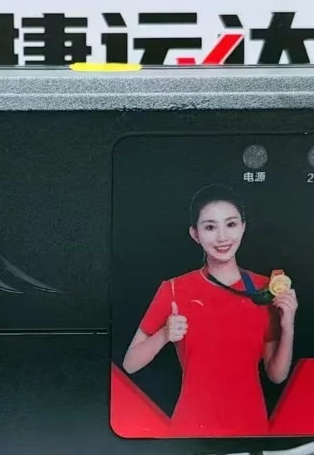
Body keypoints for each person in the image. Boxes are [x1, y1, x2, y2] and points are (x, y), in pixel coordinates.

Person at [122, 184, 297, 436]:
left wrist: (288, 326)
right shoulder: (173, 289)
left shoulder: (265, 289)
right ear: (195, 234)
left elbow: (276, 375)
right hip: (191, 431)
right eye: (210, 227)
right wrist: (165, 334)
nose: (222, 237)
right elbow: (130, 364)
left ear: (243, 226)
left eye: (231, 224)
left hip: (250, 429)